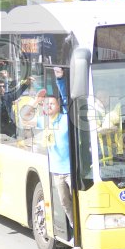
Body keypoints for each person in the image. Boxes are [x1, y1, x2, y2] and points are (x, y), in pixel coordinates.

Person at [25, 90, 74, 234]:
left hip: (71, 169)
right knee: (65, 202)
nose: (49, 106)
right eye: (46, 104)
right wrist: (35, 101)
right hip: (57, 171)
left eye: (52, 103)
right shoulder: (44, 120)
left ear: (59, 106)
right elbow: (24, 118)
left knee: (77, 200)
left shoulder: (65, 119)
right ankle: (73, 225)